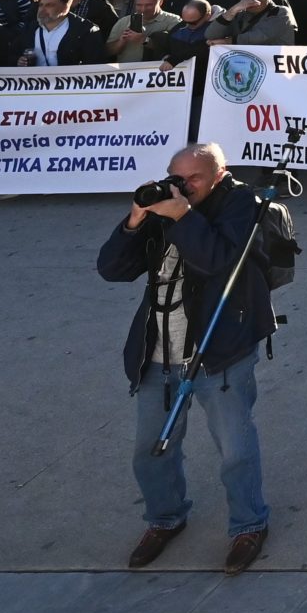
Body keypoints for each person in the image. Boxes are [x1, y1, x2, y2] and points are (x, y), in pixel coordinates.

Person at [95, 141, 274, 574]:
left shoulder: (242, 205)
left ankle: (249, 524)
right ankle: (164, 518)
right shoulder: (166, 206)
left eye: (194, 178)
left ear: (219, 173)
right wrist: (136, 221)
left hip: (219, 351)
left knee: (235, 449)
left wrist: (184, 217)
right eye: (178, 177)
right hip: (157, 353)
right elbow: (112, 269)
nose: (183, 186)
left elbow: (220, 263)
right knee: (150, 450)